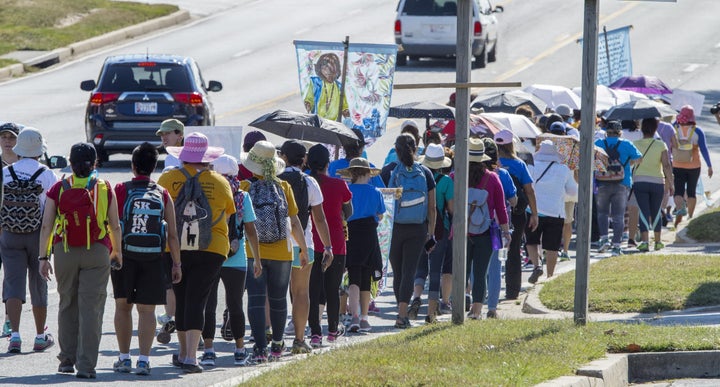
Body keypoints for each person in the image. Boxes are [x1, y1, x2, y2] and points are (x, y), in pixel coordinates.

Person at [38, 142, 122, 379]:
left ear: (70, 163)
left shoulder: (59, 188)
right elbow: (114, 224)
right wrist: (117, 252)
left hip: (64, 249)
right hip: (97, 250)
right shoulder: (105, 188)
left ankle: (66, 360)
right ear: (95, 163)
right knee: (91, 308)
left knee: (67, 303)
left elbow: (46, 225)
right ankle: (86, 366)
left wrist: (43, 256)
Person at [157, 132, 235, 373]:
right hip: (211, 248)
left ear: (183, 156)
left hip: (176, 246)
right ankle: (192, 356)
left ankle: (182, 353)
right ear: (206, 158)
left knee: (181, 299)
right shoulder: (221, 182)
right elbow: (229, 215)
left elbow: (158, 208)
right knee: (197, 300)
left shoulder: (169, 178)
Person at [111, 142, 182, 375]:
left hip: (125, 256)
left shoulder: (121, 189)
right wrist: (176, 263)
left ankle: (123, 358)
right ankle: (144, 359)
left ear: (133, 166)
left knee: (123, 307)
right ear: (154, 167)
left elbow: (112, 225)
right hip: (153, 257)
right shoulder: (162, 193)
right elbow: (172, 233)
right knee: (147, 311)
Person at [239, 140, 308, 362]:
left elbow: (241, 222)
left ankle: (260, 349)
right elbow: (295, 222)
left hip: (253, 252)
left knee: (257, 300)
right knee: (278, 300)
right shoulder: (283, 187)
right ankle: (277, 346)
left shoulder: (245, 187)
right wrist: (303, 250)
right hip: (282, 252)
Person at [2, 128, 58, 354]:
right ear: (39, 150)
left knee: (12, 283)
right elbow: (52, 210)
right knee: (38, 284)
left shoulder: (6, 172)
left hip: (10, 234)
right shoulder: (46, 174)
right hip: (38, 235)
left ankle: (14, 336)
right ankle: (39, 335)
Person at [200, 154, 260, 366]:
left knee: (208, 305)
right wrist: (258, 260)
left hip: (210, 253)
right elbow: (251, 230)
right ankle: (240, 349)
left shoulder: (208, 193)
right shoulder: (243, 196)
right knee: (235, 305)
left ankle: (208, 349)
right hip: (238, 258)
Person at [277, 140, 333, 354]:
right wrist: (327, 246)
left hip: (276, 244)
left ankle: (271, 339)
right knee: (301, 292)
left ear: (283, 157)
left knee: (274, 292)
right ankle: (300, 340)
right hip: (303, 245)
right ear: (304, 160)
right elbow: (319, 219)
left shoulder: (274, 180)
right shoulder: (309, 182)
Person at [381, 133, 436, 328]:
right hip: (417, 228)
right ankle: (402, 314)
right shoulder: (426, 172)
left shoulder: (388, 172)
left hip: (395, 228)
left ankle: (401, 311)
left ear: (396, 150)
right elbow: (432, 207)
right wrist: (431, 231)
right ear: (416, 147)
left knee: (398, 272)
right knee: (409, 272)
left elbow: (383, 204)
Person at [306, 144, 352, 346]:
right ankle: (333, 330)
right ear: (328, 163)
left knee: (312, 290)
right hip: (335, 243)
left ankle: (315, 332)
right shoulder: (339, 185)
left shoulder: (305, 183)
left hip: (311, 242)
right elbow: (349, 211)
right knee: (332, 288)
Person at [337, 158, 385, 331]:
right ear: (367, 173)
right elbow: (380, 215)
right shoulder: (375, 192)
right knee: (367, 276)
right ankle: (364, 317)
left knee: (354, 276)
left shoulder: (347, 190)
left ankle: (354, 316)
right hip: (370, 235)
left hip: (351, 234)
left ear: (352, 174)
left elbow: (342, 214)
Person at [408, 143, 454, 323]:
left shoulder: (420, 177)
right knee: (436, 271)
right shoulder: (446, 182)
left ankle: (416, 297)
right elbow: (451, 209)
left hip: (419, 227)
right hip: (439, 231)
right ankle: (431, 312)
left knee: (420, 268)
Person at [465, 138, 510, 319]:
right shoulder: (492, 178)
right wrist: (506, 231)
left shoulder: (456, 175)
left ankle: (461, 305)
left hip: (462, 231)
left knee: (464, 271)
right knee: (481, 272)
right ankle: (477, 311)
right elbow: (501, 208)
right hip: (486, 231)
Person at [526, 140, 577, 284]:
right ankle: (549, 276)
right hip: (556, 212)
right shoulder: (564, 168)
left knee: (531, 240)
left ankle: (536, 265)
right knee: (552, 246)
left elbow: (528, 186)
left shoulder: (532, 166)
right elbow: (572, 191)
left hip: (534, 211)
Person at [495, 129, 538, 300]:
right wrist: (534, 213)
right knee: (513, 250)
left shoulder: (491, 163)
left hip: (494, 212)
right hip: (516, 213)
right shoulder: (519, 164)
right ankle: (512, 290)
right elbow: (529, 190)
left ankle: (487, 287)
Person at [154, 118, 184, 339]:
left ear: (179, 134)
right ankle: (175, 317)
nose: (164, 138)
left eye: (167, 134)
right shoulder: (193, 157)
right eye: (161, 135)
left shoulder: (173, 158)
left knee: (171, 274)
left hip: (175, 222)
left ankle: (171, 316)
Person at [594, 121, 643, 256]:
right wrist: (629, 162)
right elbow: (639, 158)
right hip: (623, 182)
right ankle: (616, 245)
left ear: (606, 131)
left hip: (602, 181)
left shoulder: (598, 144)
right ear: (620, 132)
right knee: (618, 215)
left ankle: (604, 238)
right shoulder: (626, 144)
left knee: (602, 213)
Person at [480, 137, 516, 319]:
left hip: (474, 225)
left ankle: (475, 304)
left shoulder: (471, 173)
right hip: (496, 227)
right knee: (495, 267)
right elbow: (512, 201)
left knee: (476, 266)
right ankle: (492, 307)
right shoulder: (502, 175)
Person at [632, 118, 674, 252]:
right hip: (657, 182)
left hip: (640, 181)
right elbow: (666, 165)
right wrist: (671, 183)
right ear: (655, 129)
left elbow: (631, 163)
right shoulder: (660, 145)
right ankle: (658, 241)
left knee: (643, 211)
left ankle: (645, 242)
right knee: (656, 211)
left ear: (642, 129)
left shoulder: (635, 144)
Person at [671, 105, 713, 228]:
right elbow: (704, 149)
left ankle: (680, 208)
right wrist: (709, 165)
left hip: (677, 164)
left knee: (678, 191)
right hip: (694, 165)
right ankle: (690, 216)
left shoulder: (674, 128)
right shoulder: (697, 131)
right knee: (691, 191)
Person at [303, 52, 349, 121]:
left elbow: (344, 106)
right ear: (320, 69)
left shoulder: (339, 87)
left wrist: (346, 113)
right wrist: (308, 104)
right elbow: (309, 99)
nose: (326, 71)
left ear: (335, 70)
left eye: (330, 69)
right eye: (323, 68)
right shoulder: (315, 82)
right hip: (318, 122)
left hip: (333, 124)